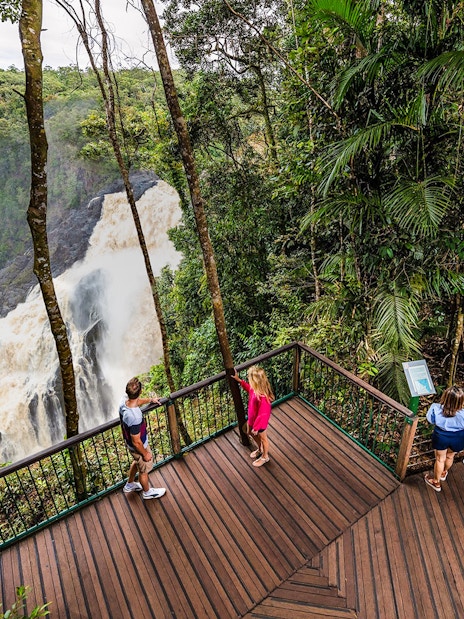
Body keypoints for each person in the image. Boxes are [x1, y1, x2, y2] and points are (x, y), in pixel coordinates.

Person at [119, 377, 166, 500]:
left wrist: (151, 400)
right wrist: (145, 454)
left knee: (137, 462)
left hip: (129, 444)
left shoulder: (123, 401)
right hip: (139, 447)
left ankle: (129, 484)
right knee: (143, 470)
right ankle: (147, 492)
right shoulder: (135, 417)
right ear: (140, 392)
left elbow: (136, 401)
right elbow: (137, 441)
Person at [232, 366, 274, 467]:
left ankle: (265, 456)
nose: (248, 380)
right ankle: (260, 449)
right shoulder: (255, 389)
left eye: (249, 378)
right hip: (252, 419)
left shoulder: (262, 397)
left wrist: (256, 427)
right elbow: (248, 388)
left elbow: (263, 414)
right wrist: (239, 381)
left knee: (263, 439)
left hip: (260, 423)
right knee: (249, 432)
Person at [424, 385, 464, 492]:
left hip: (441, 436)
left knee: (440, 459)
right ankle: (443, 472)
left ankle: (436, 482)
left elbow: (431, 420)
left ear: (445, 397)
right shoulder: (463, 413)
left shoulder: (435, 408)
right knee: (450, 456)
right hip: (459, 436)